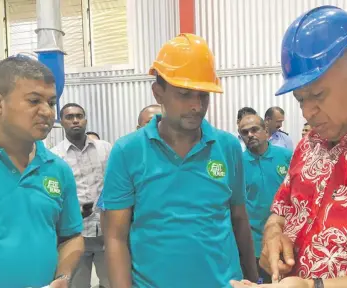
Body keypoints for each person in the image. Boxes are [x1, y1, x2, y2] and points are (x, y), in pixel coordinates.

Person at [231, 5, 347, 288]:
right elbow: (281, 211)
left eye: (317, 95)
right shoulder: (309, 145)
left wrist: (312, 287)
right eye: (300, 100)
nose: (307, 112)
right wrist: (273, 233)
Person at [101, 33, 258, 288]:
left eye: (203, 95)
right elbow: (115, 237)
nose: (197, 106)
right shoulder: (127, 151)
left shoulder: (227, 146)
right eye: (184, 94)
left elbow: (239, 218)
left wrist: (252, 279)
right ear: (158, 93)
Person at [0, 55, 84, 288]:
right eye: (34, 101)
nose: (47, 112)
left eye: (51, 103)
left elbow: (71, 237)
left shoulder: (58, 169)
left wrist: (62, 278)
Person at [51, 103, 112, 288]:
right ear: (61, 122)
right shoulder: (55, 156)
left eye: (79, 115)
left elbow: (116, 185)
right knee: (78, 285)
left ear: (85, 119)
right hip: (74, 236)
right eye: (69, 117)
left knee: (113, 282)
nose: (75, 120)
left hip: (107, 231)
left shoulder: (105, 149)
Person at [238, 114, 292, 284]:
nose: (250, 135)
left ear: (266, 131)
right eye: (244, 132)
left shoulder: (287, 156)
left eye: (255, 129)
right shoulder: (237, 163)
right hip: (255, 244)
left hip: (286, 237)